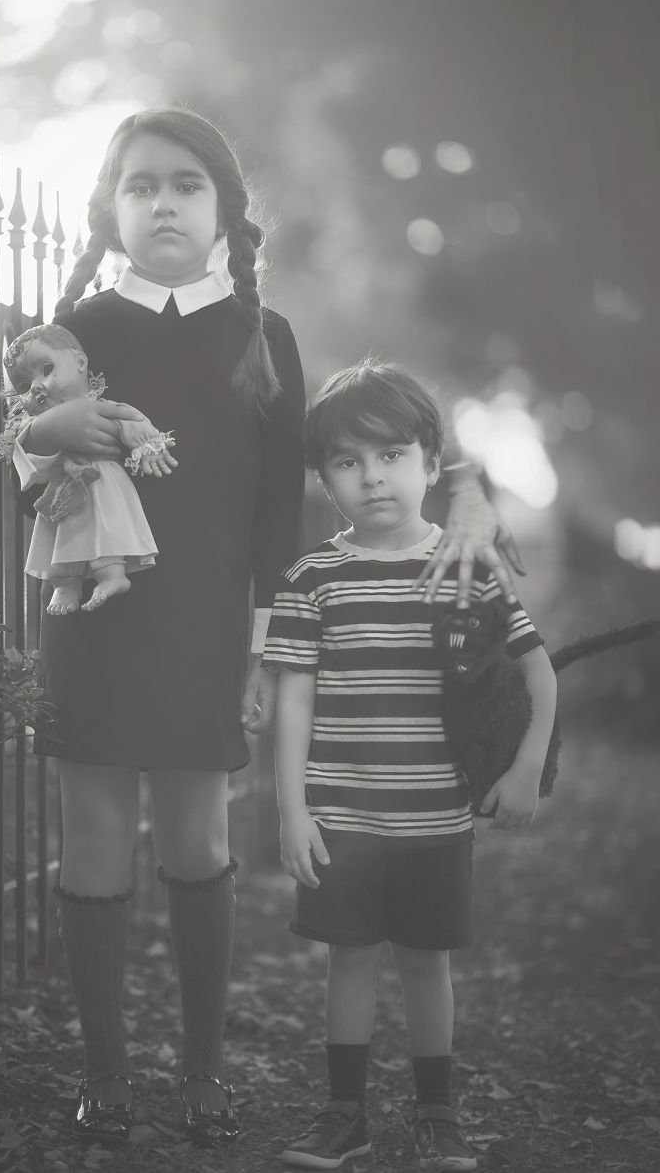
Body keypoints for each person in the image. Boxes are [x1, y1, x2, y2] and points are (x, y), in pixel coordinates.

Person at [11, 109, 521, 1147]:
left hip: (209, 633)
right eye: (142, 184)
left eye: (187, 185)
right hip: (93, 625)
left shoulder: (263, 336)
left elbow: (306, 489)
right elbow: (17, 457)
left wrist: (462, 493)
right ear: (110, 209)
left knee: (197, 841)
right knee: (96, 846)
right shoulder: (79, 331)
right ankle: (104, 1072)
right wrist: (37, 429)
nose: (164, 201)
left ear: (223, 213)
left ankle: (203, 1071)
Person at [263, 359, 557, 1170]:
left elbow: (538, 670)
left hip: (436, 818)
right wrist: (292, 810)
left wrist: (528, 765)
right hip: (344, 818)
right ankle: (344, 1114)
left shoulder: (468, 564)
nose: (372, 477)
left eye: (392, 456)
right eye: (347, 463)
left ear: (433, 462)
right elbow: (293, 699)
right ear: (324, 479)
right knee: (347, 962)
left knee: (428, 966)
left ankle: (438, 1115)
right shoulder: (312, 580)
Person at [1, 324, 174, 614]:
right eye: (22, 387)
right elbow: (25, 464)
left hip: (101, 481)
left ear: (80, 362)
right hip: (63, 487)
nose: (35, 386)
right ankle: (65, 585)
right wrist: (44, 431)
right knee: (63, 537)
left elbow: (131, 419)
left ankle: (112, 576)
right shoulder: (34, 425)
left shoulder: (103, 405)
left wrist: (146, 445)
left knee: (106, 527)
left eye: (46, 368)